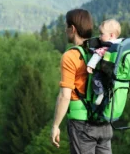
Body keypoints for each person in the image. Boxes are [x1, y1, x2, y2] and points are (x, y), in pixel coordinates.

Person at [51, 9, 113, 154]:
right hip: (104, 122)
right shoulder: (103, 50)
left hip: (82, 126)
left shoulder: (71, 56)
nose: (65, 31)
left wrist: (55, 126)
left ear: (72, 29)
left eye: (66, 27)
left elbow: (64, 96)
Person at [87, 19, 122, 105]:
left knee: (96, 78)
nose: (99, 37)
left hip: (107, 71)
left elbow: (97, 54)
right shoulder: (121, 43)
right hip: (119, 73)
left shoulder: (107, 46)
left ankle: (100, 93)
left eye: (102, 34)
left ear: (111, 35)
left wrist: (90, 65)